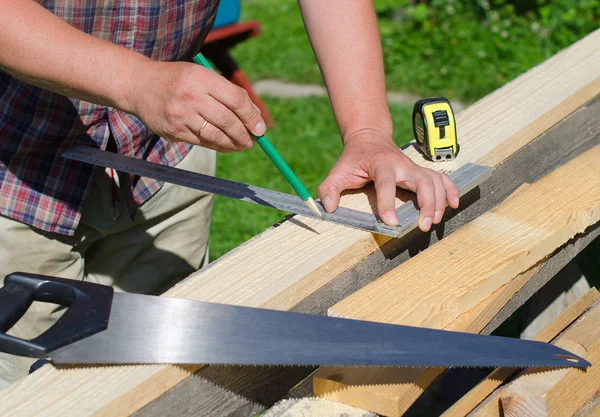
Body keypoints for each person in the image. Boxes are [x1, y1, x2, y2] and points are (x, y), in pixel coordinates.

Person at [0, 0, 459, 388]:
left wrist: (367, 132)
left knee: (163, 384)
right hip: (13, 170)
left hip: (164, 163)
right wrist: (136, 81)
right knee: (29, 391)